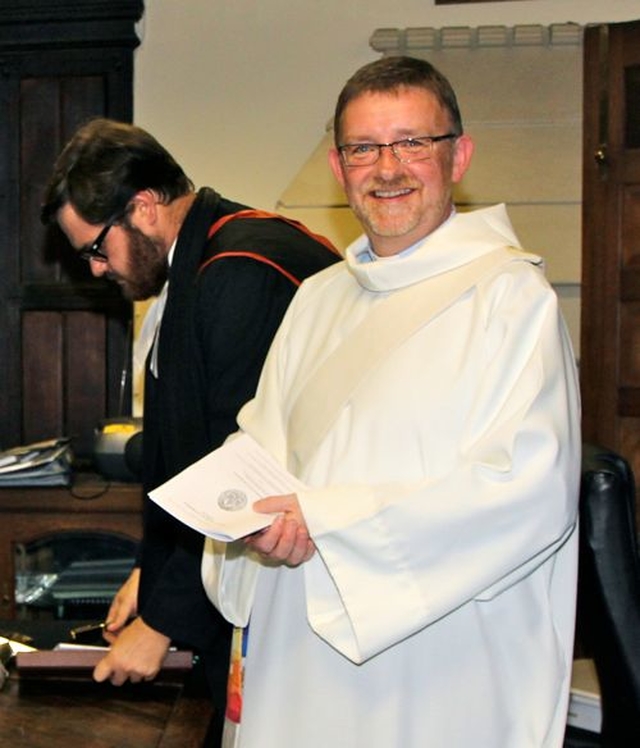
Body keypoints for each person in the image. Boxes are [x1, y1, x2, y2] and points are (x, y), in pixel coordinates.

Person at [201, 56, 582, 748]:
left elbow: (526, 489)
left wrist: (327, 521)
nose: (389, 168)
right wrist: (236, 510)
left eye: (414, 143)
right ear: (338, 165)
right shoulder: (318, 298)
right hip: (298, 650)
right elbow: (263, 439)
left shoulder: (510, 300)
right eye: (364, 148)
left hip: (438, 667)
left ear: (458, 156)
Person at [40, 118, 340, 744]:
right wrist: (153, 575)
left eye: (96, 248)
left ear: (143, 207)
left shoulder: (241, 270)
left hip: (301, 570)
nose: (95, 270)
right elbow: (182, 452)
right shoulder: (201, 261)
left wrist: (165, 618)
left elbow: (236, 466)